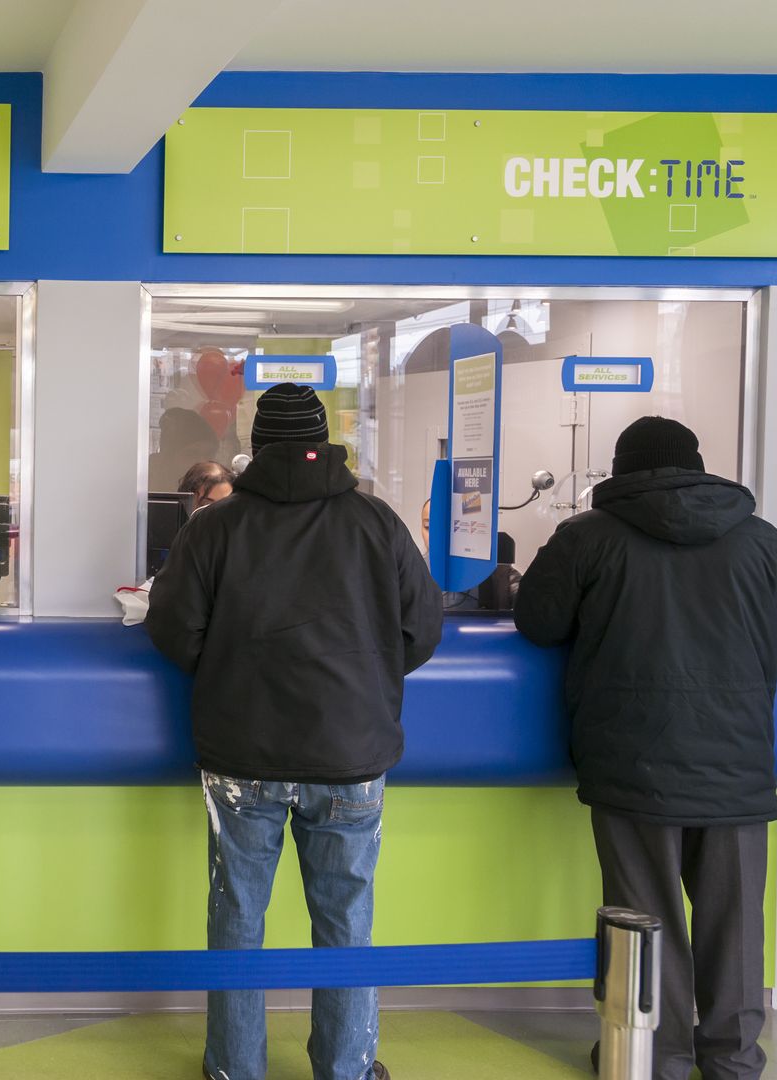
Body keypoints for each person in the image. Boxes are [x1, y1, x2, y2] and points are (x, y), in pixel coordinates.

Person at [145, 384, 443, 1080]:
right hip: (350, 754)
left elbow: (174, 629)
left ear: (255, 445)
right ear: (325, 439)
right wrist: (367, 675)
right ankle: (346, 1067)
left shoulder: (214, 527)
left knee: (237, 917)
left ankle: (234, 1067)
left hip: (242, 752)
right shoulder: (376, 521)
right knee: (346, 918)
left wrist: (227, 667)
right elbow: (422, 628)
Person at [514, 417, 777, 1080]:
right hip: (737, 762)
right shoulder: (762, 540)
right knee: (735, 924)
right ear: (697, 466)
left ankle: (657, 1058)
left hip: (631, 759)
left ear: (621, 471)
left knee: (646, 918)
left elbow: (538, 623)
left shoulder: (586, 537)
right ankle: (733, 1059)